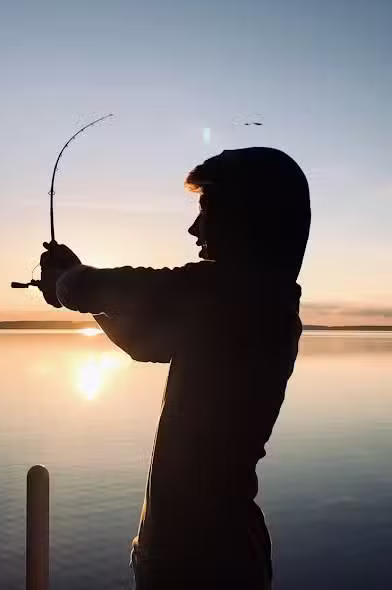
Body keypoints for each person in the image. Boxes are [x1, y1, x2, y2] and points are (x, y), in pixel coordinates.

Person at [38, 147, 311, 589]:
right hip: (212, 552)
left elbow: (97, 287)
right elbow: (142, 343)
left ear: (246, 218)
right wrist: (79, 291)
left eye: (206, 210)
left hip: (198, 563)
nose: (194, 228)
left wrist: (67, 279)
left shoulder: (229, 295)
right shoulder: (257, 308)